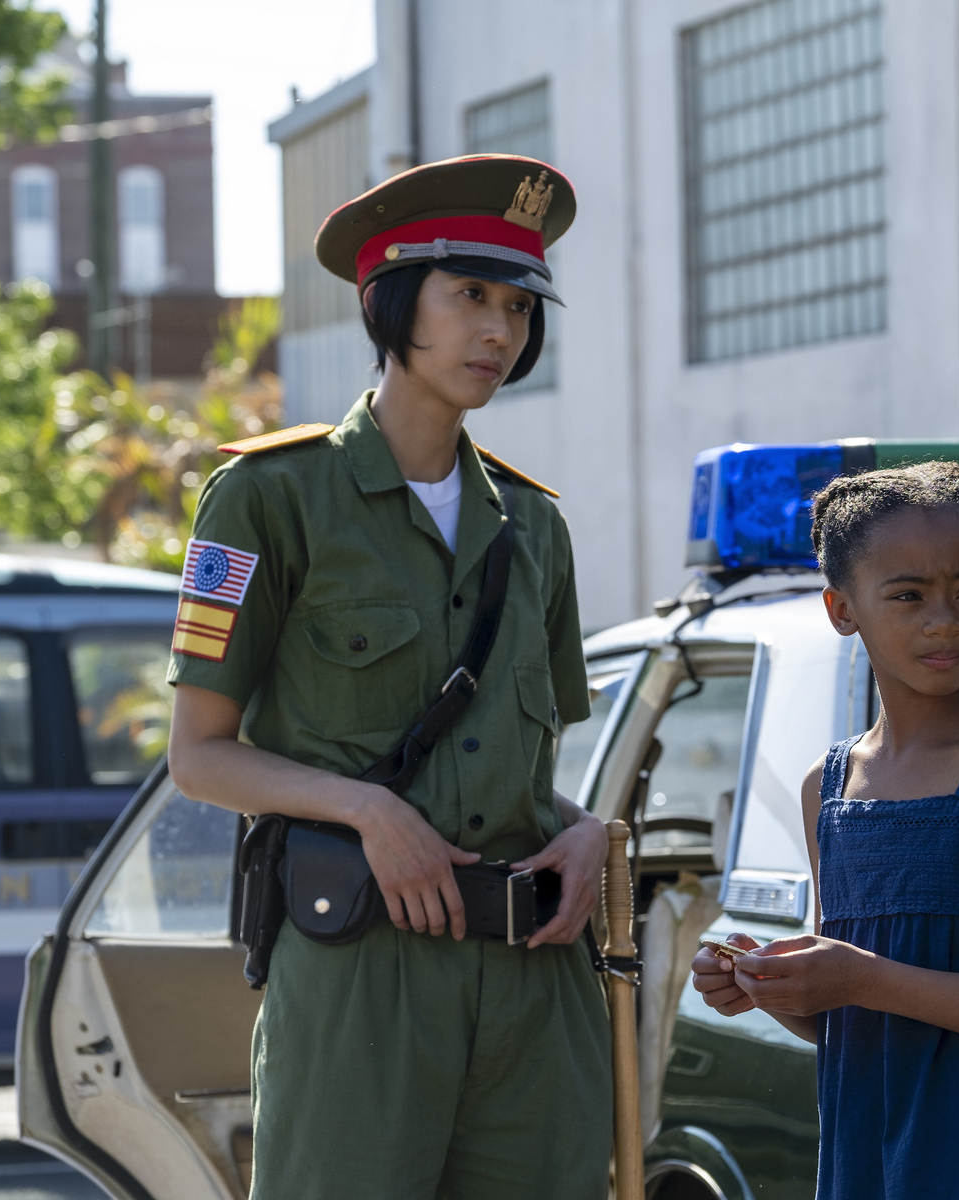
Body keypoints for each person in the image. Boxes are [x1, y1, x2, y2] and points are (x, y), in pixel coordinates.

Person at [165, 154, 611, 1199]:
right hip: (362, 969)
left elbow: (508, 773)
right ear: (387, 300)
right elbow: (200, 756)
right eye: (468, 297)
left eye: (517, 305)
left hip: (531, 979)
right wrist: (366, 808)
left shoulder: (535, 526)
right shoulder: (266, 498)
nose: (498, 331)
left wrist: (585, 828)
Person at [689, 462, 959, 1199]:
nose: (944, 620)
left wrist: (860, 976)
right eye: (909, 595)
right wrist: (774, 988)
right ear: (841, 608)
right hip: (874, 1172)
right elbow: (861, 1025)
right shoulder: (827, 790)